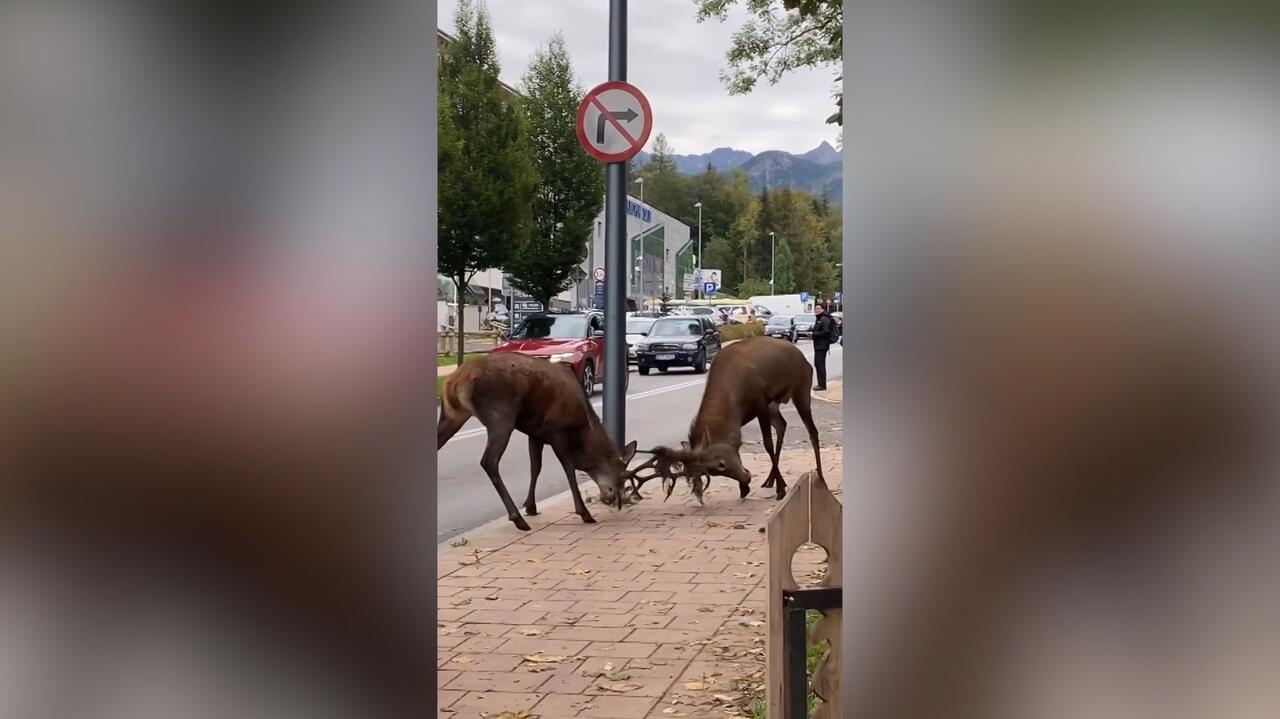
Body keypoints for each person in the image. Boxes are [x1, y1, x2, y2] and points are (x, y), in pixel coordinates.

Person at [811, 304, 836, 391]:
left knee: (820, 365)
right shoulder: (819, 318)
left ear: (822, 309)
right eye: (815, 308)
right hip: (819, 345)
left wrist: (814, 334)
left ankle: (822, 385)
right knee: (818, 364)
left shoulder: (824, 318)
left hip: (822, 345)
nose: (816, 310)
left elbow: (826, 331)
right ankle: (820, 384)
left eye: (818, 308)